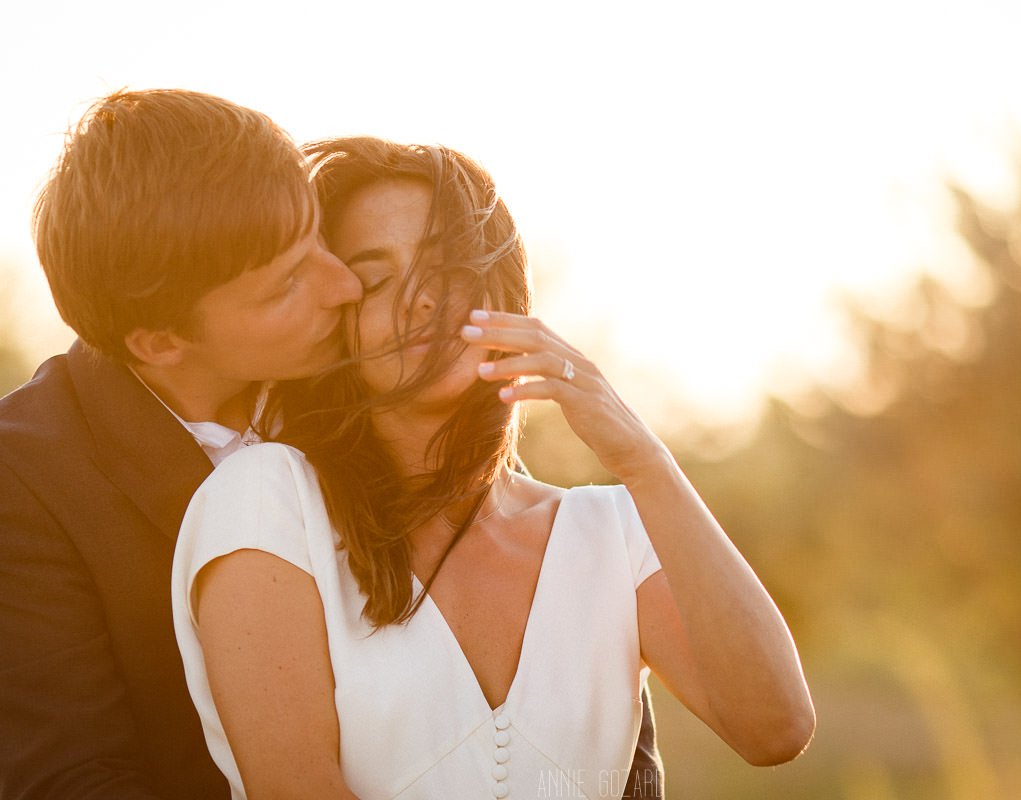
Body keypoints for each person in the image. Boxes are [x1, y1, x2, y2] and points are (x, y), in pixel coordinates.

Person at [0, 90, 665, 799]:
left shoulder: (362, 385)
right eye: (289, 282)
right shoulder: (28, 476)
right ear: (162, 342)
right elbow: (72, 781)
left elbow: (552, 642)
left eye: (318, 239)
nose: (344, 284)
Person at [171, 138, 815, 799]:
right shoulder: (267, 500)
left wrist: (643, 460)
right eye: (376, 278)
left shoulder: (611, 530)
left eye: (445, 266)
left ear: (499, 286)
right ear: (341, 319)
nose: (420, 300)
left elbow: (775, 728)